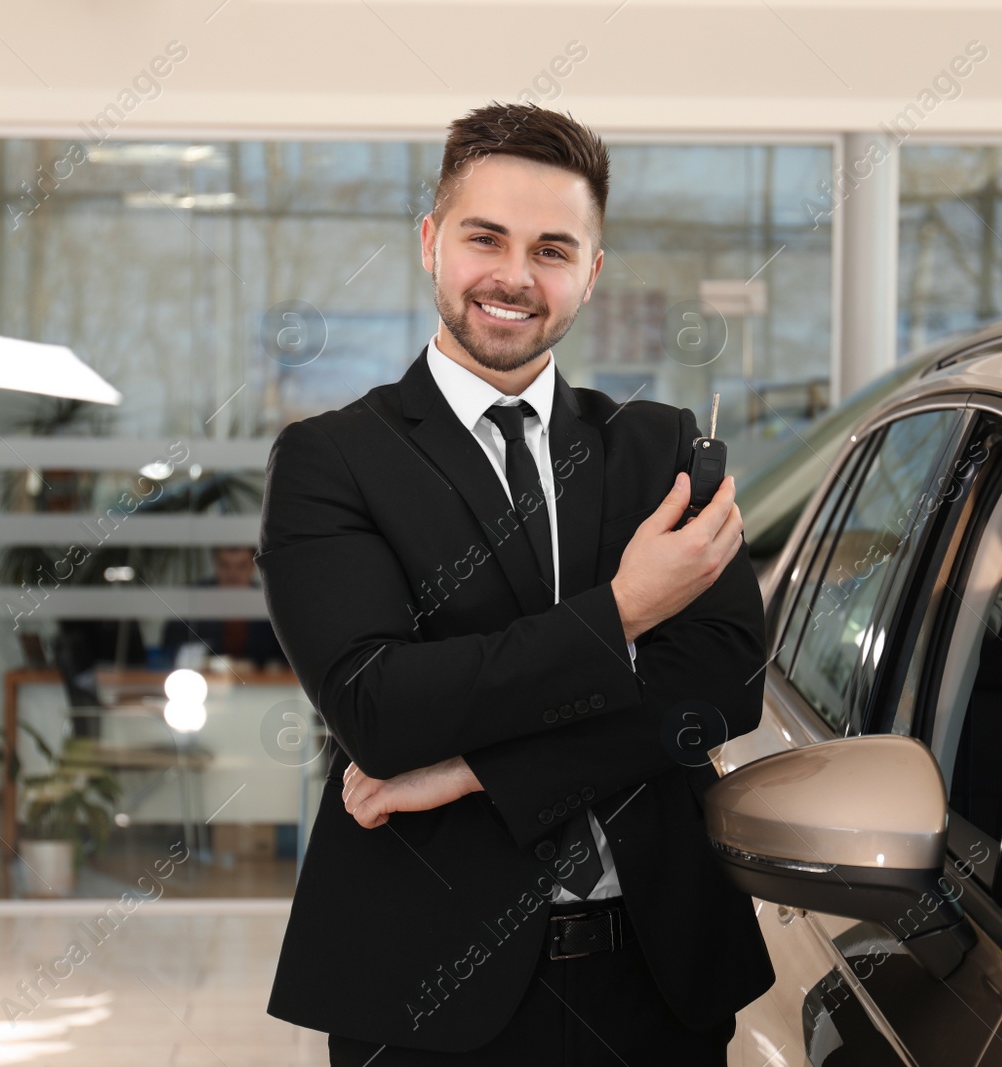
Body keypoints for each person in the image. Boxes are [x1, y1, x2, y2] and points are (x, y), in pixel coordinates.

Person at [257, 101, 774, 1065]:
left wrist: (473, 768)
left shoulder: (657, 448)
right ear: (430, 241)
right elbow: (380, 708)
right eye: (485, 237)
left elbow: (721, 683)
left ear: (591, 272)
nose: (513, 277)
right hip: (428, 992)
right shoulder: (333, 461)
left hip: (655, 980)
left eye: (552, 248)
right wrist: (624, 612)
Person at [160, 545, 287, 669]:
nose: (233, 574)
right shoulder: (194, 600)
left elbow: (281, 655)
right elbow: (172, 647)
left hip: (259, 684)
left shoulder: (267, 603)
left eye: (241, 566)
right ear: (216, 564)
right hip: (205, 680)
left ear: (252, 567)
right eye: (225, 565)